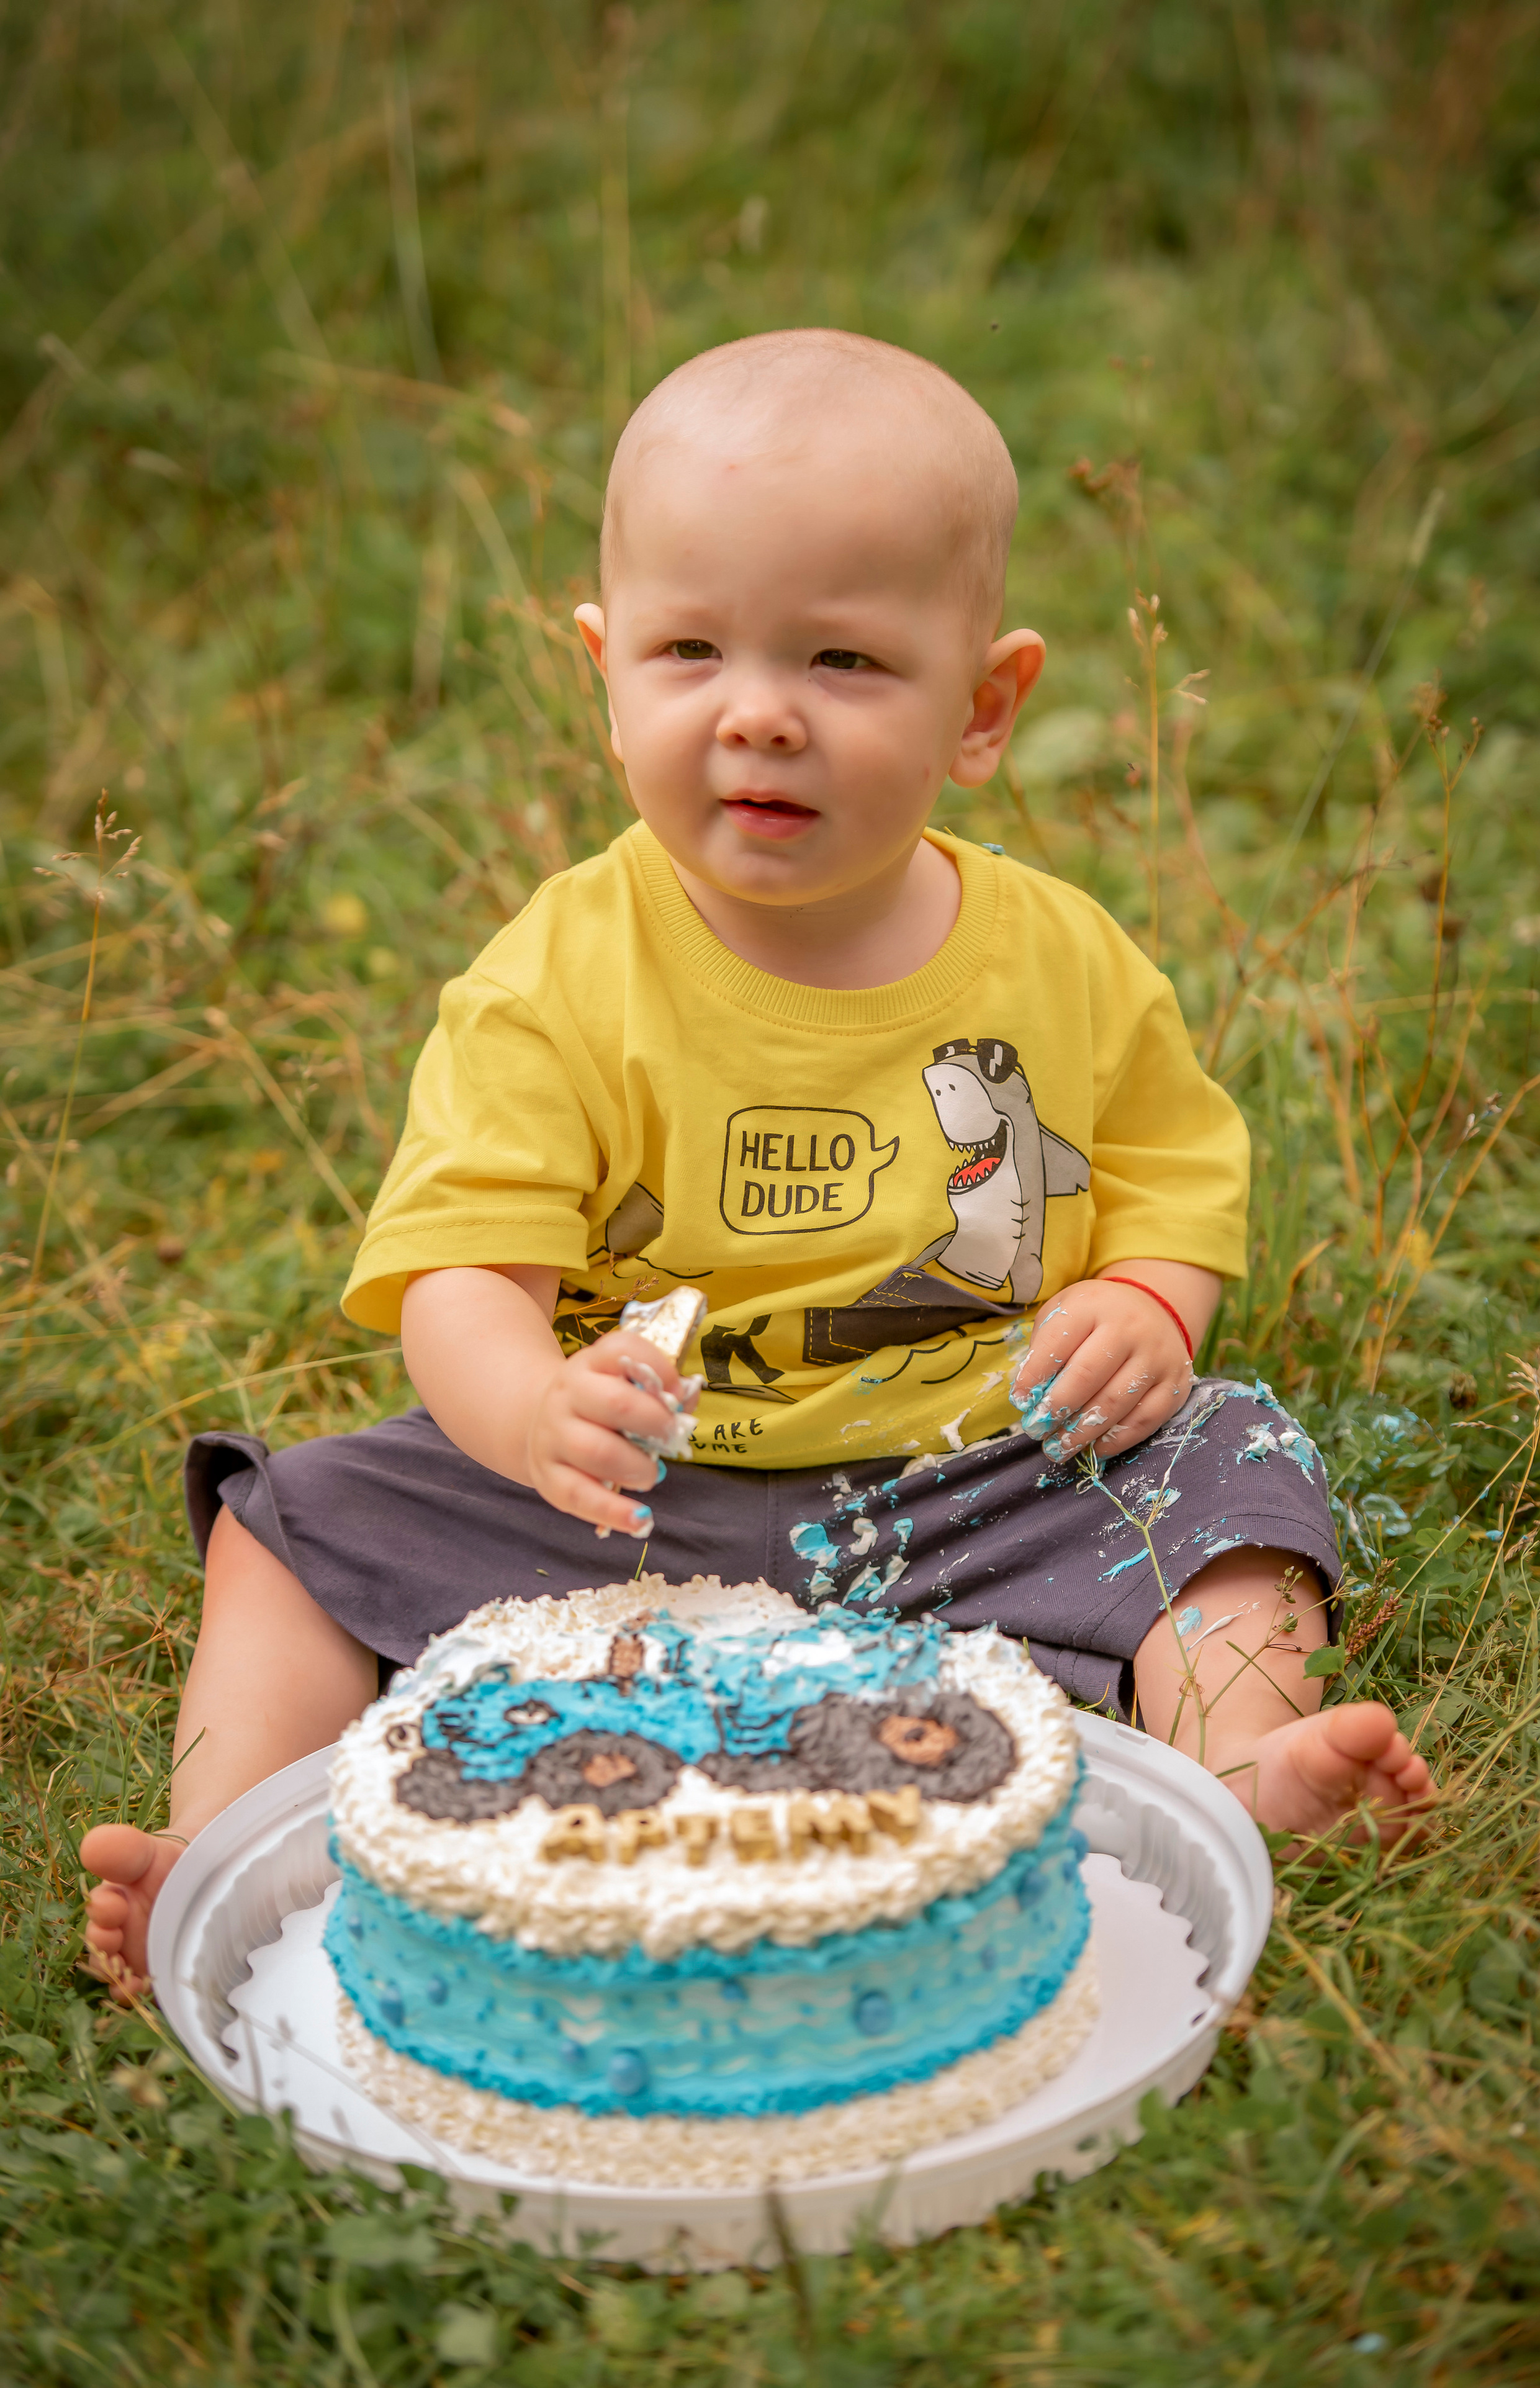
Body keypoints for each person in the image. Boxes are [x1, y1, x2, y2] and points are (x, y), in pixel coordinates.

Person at [83, 330, 1431, 1991]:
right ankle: (226, 1849)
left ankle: (1246, 1781)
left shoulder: (1059, 961)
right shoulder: (561, 972)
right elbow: (462, 1277)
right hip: (619, 1504)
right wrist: (529, 1415)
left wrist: (1153, 1300)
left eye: (845, 663)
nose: (760, 715)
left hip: (972, 1480)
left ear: (985, 706)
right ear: (605, 670)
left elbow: (1170, 1170)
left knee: (1228, 1473)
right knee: (292, 1525)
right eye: (691, 649)